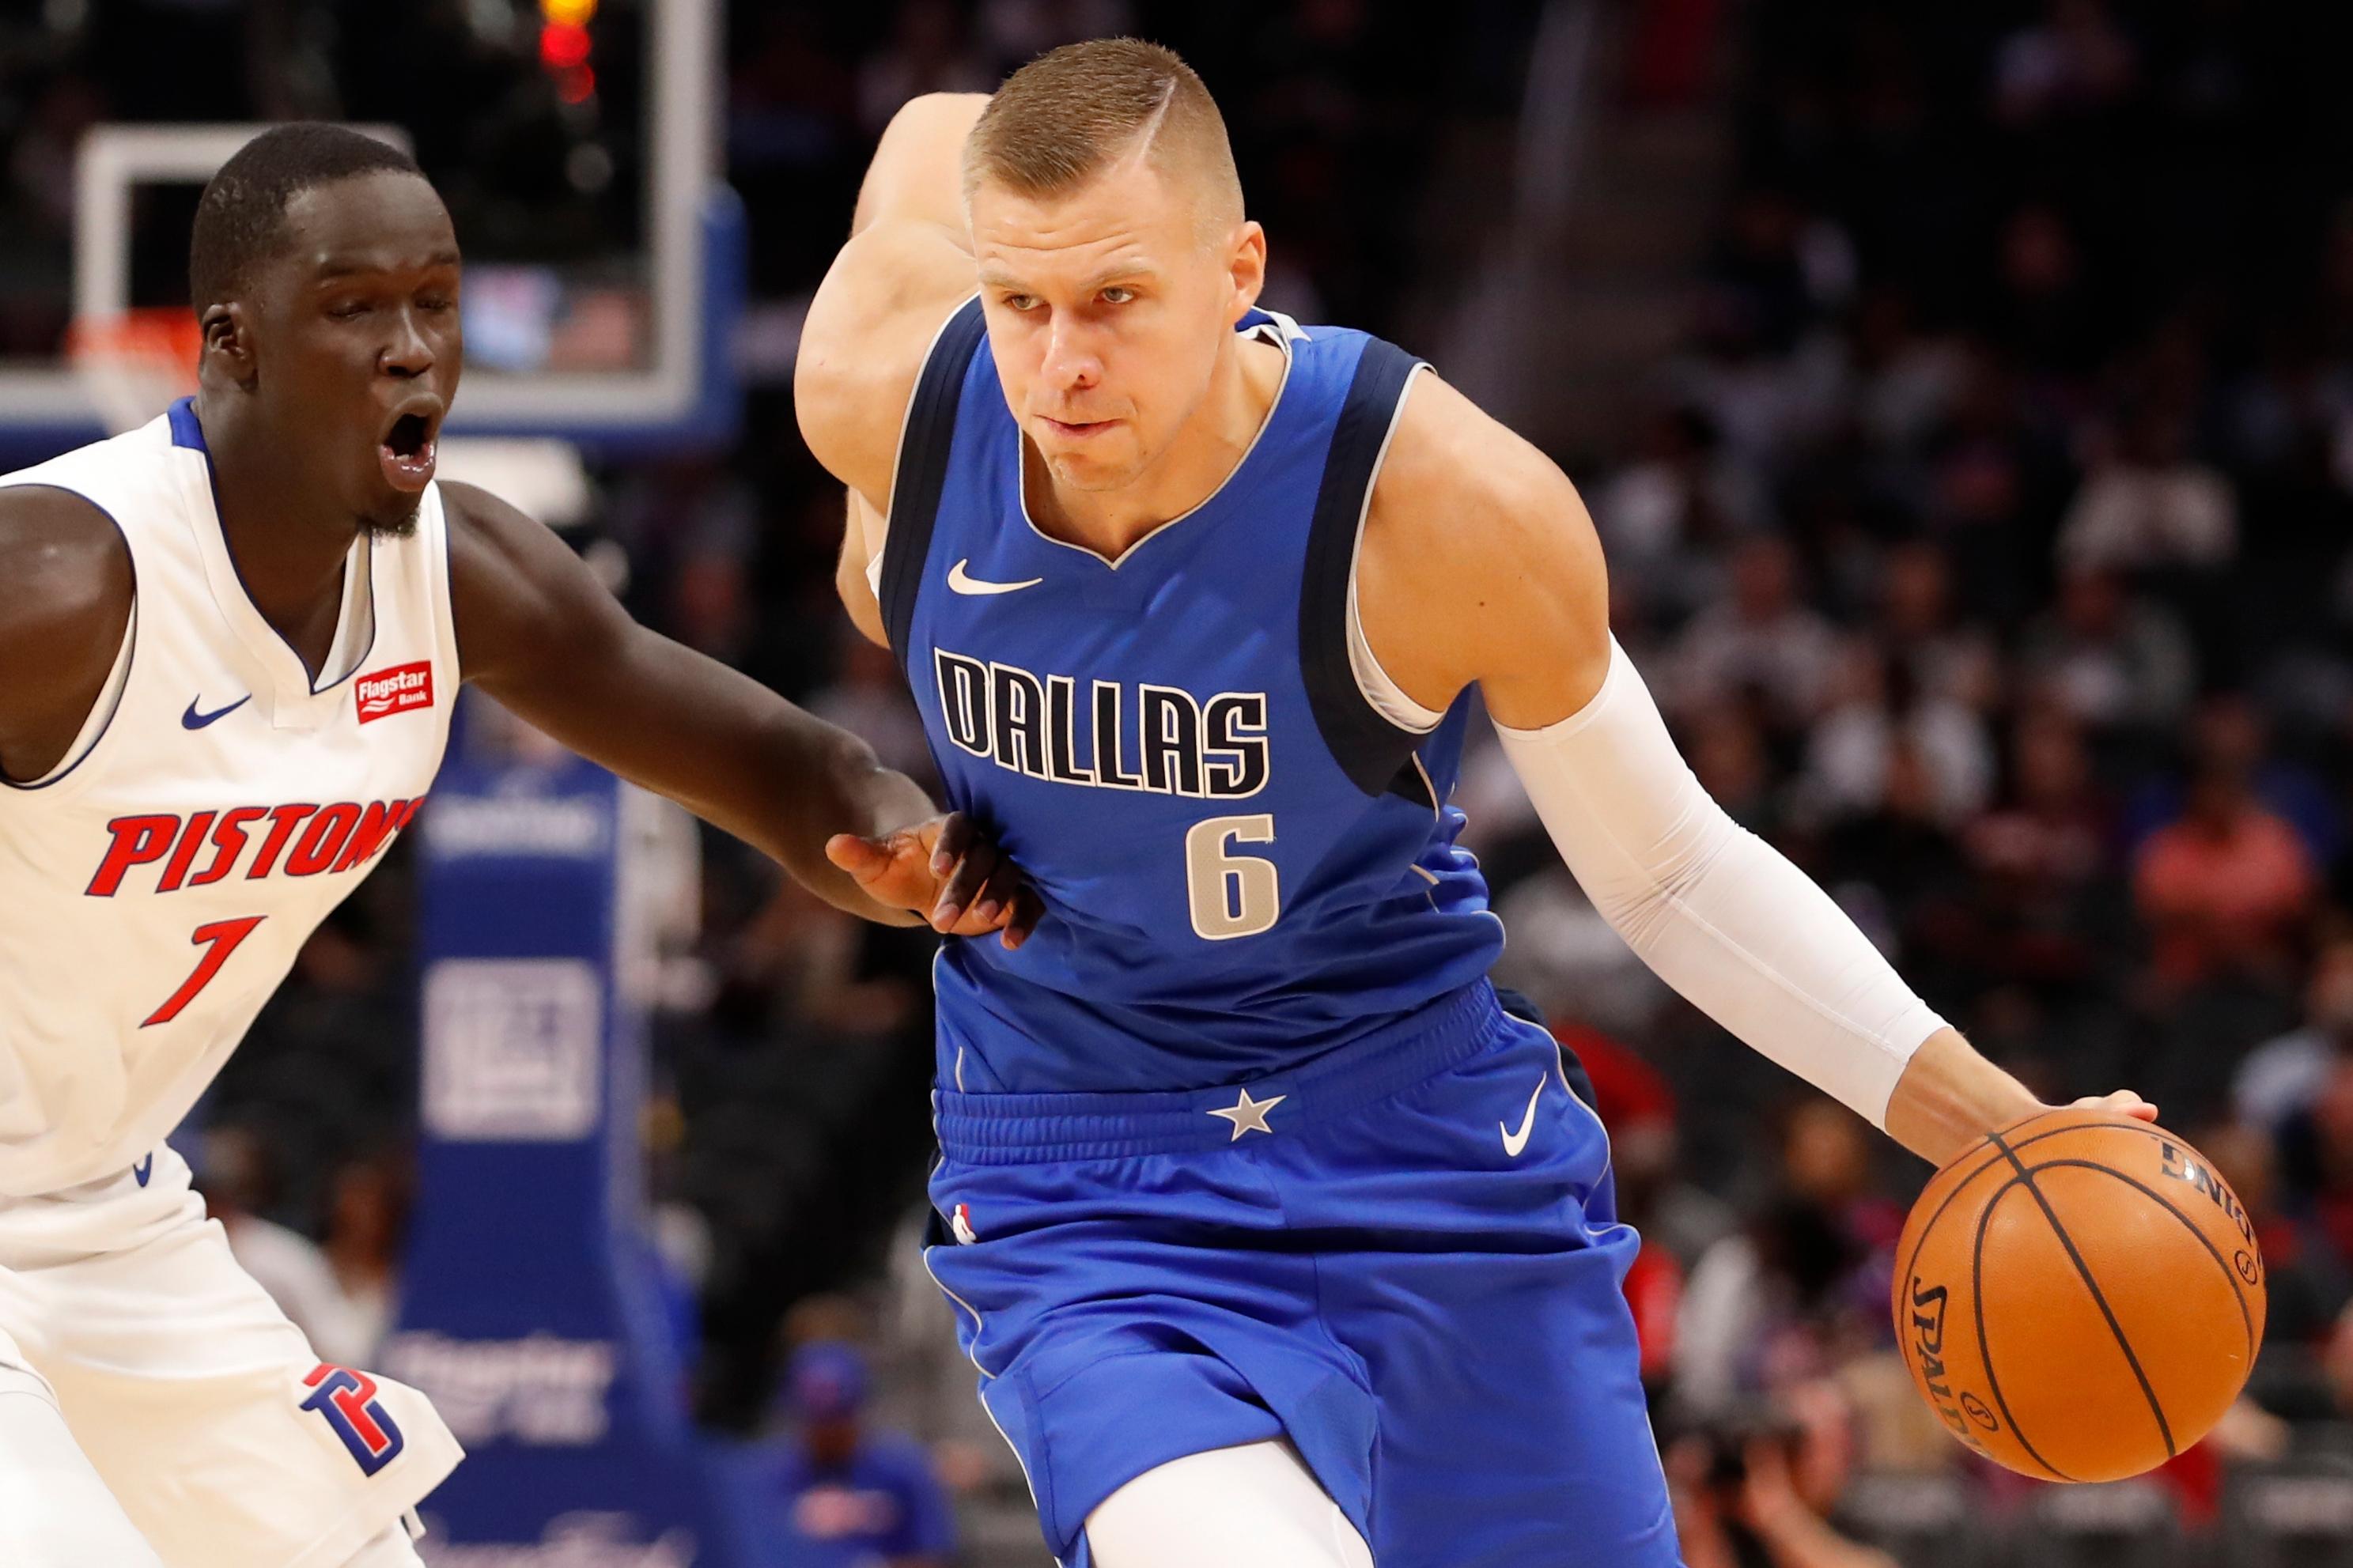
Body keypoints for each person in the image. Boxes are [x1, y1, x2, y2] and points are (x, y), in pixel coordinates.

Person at [795, 40, 2150, 1568]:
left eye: (1117, 296)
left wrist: (2004, 1126)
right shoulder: (882, 397)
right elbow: (929, 127)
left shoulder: (1439, 506)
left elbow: (1673, 872)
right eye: (1021, 301)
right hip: (1087, 1174)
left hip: (1422, 1143)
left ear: (1239, 269)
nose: (1061, 366)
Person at [0, 124, 1037, 1568]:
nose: (414, 347)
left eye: (437, 300)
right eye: (357, 306)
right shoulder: (60, 582)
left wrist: (894, 840)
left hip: (107, 1214)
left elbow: (779, 762)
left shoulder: (462, 576)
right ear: (230, 342)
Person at [767, 1340, 955, 1568]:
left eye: (838, 1421)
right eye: (818, 1423)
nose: (828, 1433)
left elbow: (934, 1556)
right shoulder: (768, 1475)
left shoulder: (903, 1468)